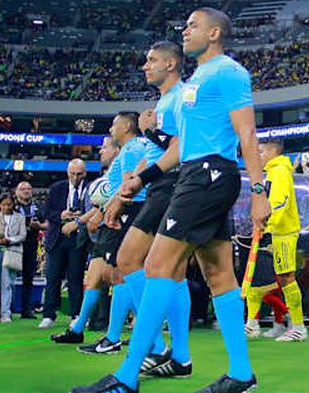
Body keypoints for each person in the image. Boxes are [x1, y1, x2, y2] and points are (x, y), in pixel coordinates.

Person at [71, 7, 269, 393]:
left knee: (157, 266)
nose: (185, 31)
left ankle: (127, 376)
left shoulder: (229, 72)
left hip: (209, 176)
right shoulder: (196, 82)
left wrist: (259, 192)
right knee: (219, 275)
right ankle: (241, 374)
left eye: (193, 25)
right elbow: (179, 147)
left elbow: (247, 134)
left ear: (215, 33)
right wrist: (141, 179)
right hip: (196, 174)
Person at [105, 41, 194, 378]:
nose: (145, 66)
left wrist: (150, 133)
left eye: (152, 60)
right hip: (160, 184)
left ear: (171, 64)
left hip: (171, 183)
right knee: (173, 272)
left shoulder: (181, 97)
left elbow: (180, 148)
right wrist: (125, 188)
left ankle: (157, 346)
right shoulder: (165, 100)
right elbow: (153, 154)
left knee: (130, 260)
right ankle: (178, 356)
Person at [79, 112, 154, 356]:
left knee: (119, 273)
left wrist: (105, 211)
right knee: (118, 273)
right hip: (134, 210)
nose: (111, 128)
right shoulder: (136, 147)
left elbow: (128, 185)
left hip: (129, 211)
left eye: (114, 124)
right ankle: (120, 335)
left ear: (127, 126)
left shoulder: (131, 150)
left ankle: (141, 336)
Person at [51, 137, 118, 345]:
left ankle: (123, 336)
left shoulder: (123, 166)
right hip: (105, 231)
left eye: (105, 147)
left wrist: (78, 222)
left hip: (117, 228)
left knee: (121, 278)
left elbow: (113, 199)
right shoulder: (111, 172)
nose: (101, 151)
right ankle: (78, 328)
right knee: (95, 278)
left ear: (116, 149)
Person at [258, 138, 307, 342]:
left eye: (261, 152)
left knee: (287, 277)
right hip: (279, 231)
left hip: (284, 231)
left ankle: (298, 327)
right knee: (283, 279)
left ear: (272, 152)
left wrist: (267, 225)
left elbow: (280, 202)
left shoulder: (279, 171)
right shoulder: (273, 172)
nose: (259, 156)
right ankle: (289, 324)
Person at [40, 159, 89, 328]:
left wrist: (81, 218)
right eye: (72, 174)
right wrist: (61, 215)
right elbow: (46, 211)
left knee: (75, 277)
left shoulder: (90, 188)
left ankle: (76, 314)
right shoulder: (57, 189)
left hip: (78, 238)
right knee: (52, 277)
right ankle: (48, 314)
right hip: (58, 238)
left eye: (79, 174)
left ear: (85, 173)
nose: (76, 178)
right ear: (68, 173)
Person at [0, 192, 26, 323]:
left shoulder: (19, 218)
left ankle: (5, 313)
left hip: (11, 251)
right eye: (4, 204)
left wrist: (10, 240)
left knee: (7, 283)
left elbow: (22, 235)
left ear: (13, 204)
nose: (6, 207)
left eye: (9, 204)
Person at [14, 180, 42, 319]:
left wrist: (39, 226)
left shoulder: (38, 207)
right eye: (23, 189)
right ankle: (5, 309)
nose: (26, 191)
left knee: (28, 277)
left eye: (28, 189)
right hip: (13, 244)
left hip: (31, 244)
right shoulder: (12, 206)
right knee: (8, 277)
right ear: (16, 192)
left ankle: (26, 309)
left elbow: (47, 223)